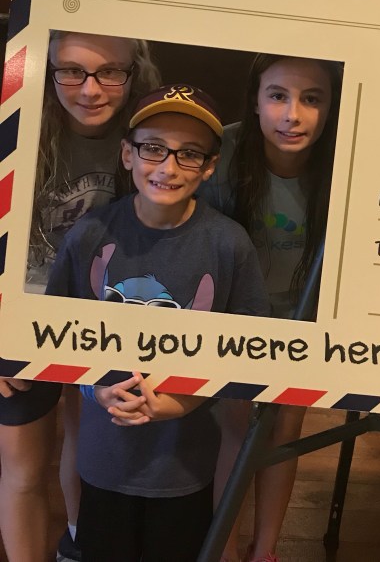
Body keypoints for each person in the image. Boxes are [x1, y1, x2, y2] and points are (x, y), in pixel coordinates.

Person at [46, 83, 270, 562]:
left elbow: (249, 351)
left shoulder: (229, 245)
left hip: (184, 465)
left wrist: (185, 399)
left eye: (189, 154)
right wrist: (94, 388)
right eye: (153, 148)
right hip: (104, 460)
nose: (168, 167)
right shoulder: (89, 235)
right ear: (127, 154)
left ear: (209, 165)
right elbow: (54, 336)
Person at [0, 31, 160, 562]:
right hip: (23, 316)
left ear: (134, 72)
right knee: (23, 466)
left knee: (89, 450)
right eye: (71, 71)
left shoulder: (151, 139)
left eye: (109, 72)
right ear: (46, 71)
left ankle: (76, 544)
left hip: (111, 319)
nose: (90, 90)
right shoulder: (16, 131)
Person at [203, 53, 343, 562]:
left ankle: (265, 551)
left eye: (312, 99)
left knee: (284, 431)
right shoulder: (222, 153)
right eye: (278, 96)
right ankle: (225, 549)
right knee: (237, 429)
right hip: (233, 317)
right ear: (256, 100)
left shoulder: (345, 161)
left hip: (303, 319)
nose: (293, 115)